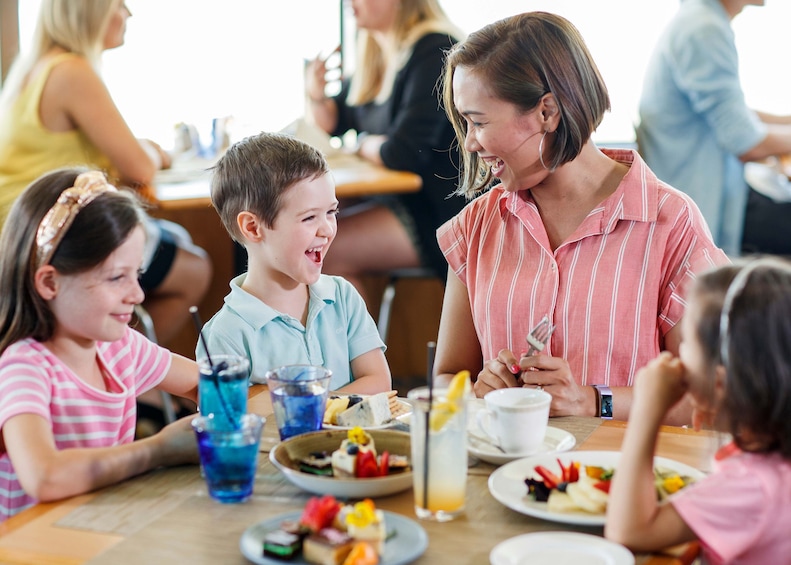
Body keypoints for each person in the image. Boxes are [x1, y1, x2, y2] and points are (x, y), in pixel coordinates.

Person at [432, 12, 730, 425]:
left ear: (546, 113)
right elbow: (447, 378)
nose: (469, 142)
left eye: (478, 122)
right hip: (503, 476)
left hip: (616, 480)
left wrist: (594, 401)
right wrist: (479, 391)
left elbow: (710, 395)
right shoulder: (476, 228)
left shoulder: (670, 224)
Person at [0, 0, 212, 349]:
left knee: (174, 239)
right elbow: (139, 166)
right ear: (90, 11)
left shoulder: (34, 67)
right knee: (195, 268)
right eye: (119, 4)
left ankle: (118, 376)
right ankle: (114, 374)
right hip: (48, 235)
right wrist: (155, 151)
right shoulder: (72, 71)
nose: (129, 13)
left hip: (22, 228)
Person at [0, 168, 201, 522]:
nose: (137, 295)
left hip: (103, 526)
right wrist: (159, 450)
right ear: (50, 282)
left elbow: (203, 382)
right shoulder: (24, 366)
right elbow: (44, 476)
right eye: (116, 277)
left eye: (136, 274)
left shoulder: (119, 347)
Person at [606, 258, 791, 562]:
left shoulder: (753, 486)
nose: (678, 354)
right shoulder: (769, 455)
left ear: (719, 383)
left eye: (686, 343)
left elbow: (630, 532)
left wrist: (646, 411)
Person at [199, 132, 391, 393]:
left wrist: (304, 407)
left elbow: (378, 382)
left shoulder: (343, 297)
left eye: (331, 212)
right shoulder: (225, 334)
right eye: (309, 217)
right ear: (253, 228)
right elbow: (229, 420)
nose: (327, 229)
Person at [305, 0, 465, 302]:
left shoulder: (435, 50)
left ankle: (360, 351)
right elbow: (334, 122)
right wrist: (316, 95)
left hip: (437, 212)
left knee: (324, 249)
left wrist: (362, 143)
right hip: (398, 202)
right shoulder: (377, 53)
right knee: (307, 234)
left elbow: (403, 151)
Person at [636, 0, 791, 258]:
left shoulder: (699, 19)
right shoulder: (704, 29)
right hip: (700, 208)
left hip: (710, 187)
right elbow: (745, 142)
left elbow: (733, 115)